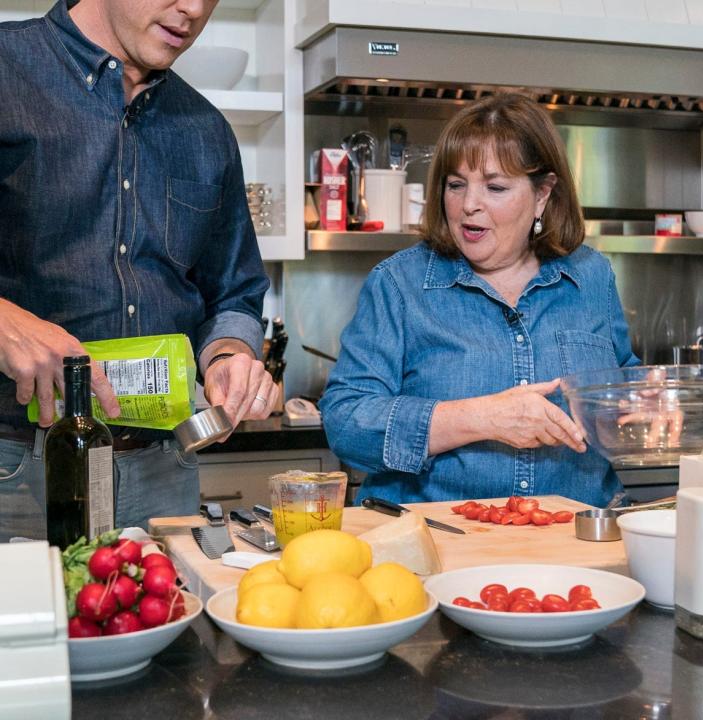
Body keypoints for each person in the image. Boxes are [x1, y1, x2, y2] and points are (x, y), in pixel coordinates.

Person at [0, 0, 280, 541]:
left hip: (162, 468)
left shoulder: (207, 131)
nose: (194, 9)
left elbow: (233, 293)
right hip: (16, 465)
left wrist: (228, 354)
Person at [321, 93, 639, 508]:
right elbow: (346, 422)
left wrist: (643, 405)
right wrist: (483, 418)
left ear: (543, 194)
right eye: (456, 185)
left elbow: (622, 388)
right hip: (437, 547)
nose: (469, 204)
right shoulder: (399, 284)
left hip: (571, 547)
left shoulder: (591, 276)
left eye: (495, 187)